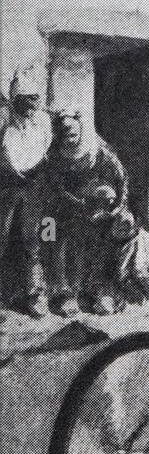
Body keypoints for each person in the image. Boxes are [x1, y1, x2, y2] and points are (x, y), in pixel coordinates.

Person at [41, 110, 134, 316]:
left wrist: (117, 207)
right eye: (64, 133)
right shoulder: (53, 157)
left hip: (101, 210)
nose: (69, 135)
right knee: (49, 230)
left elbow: (122, 182)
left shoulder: (100, 153)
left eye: (73, 131)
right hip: (68, 209)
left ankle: (104, 289)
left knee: (118, 228)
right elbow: (55, 189)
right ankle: (63, 292)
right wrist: (79, 205)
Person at [0, 67, 52, 316]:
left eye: (35, 100)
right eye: (27, 100)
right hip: (7, 188)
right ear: (16, 102)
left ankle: (35, 294)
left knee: (36, 239)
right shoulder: (6, 125)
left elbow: (43, 151)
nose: (33, 106)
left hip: (35, 187)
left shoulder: (41, 124)